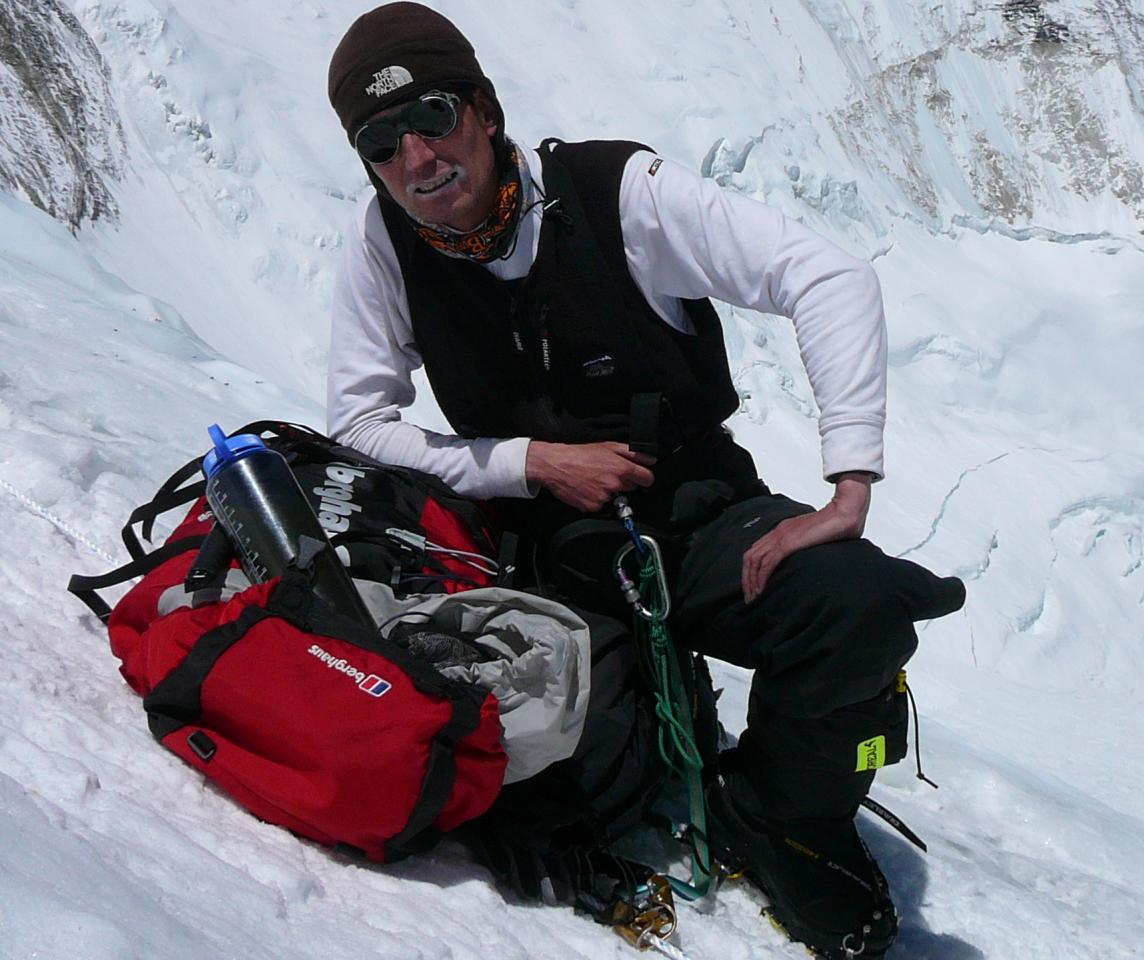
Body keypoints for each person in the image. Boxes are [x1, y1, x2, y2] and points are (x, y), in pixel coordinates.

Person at [323, 5, 964, 958]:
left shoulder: (614, 193)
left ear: (486, 112)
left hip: (696, 514)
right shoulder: (384, 246)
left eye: (433, 116)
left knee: (855, 602)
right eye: (382, 143)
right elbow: (358, 425)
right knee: (573, 786)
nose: (416, 158)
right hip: (538, 544)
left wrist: (849, 483)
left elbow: (827, 278)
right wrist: (528, 463)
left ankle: (780, 816)